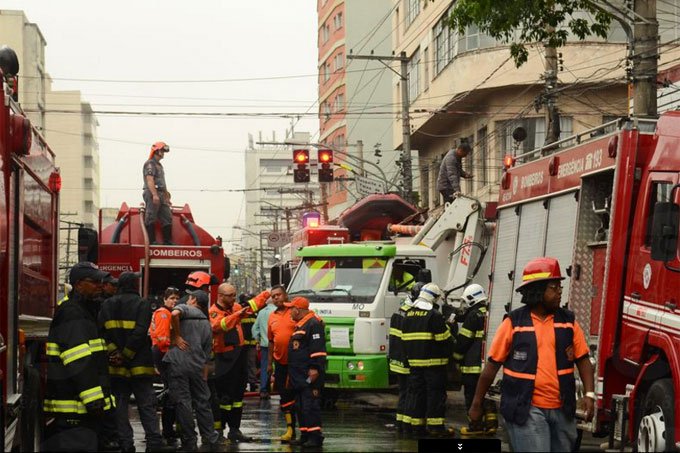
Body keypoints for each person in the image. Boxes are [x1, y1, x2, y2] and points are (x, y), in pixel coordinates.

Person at [468, 257, 595, 452]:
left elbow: (583, 360)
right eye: (554, 287)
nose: (560, 291)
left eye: (560, 286)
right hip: (526, 410)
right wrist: (477, 403)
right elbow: (492, 367)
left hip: (563, 410)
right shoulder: (513, 323)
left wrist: (589, 394)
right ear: (537, 291)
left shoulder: (568, 322)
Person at [43, 262, 115, 451]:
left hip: (80, 410)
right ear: (78, 283)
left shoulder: (85, 311)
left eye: (101, 281)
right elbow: (78, 360)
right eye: (95, 281)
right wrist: (94, 401)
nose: (100, 285)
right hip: (76, 411)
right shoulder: (73, 313)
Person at [98, 272, 171, 453]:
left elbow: (101, 333)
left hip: (116, 366)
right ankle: (154, 442)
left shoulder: (107, 304)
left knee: (120, 405)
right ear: (134, 285)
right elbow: (140, 332)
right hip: (139, 364)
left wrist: (116, 353)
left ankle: (125, 443)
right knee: (146, 404)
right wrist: (127, 354)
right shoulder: (142, 304)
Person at [209, 284, 271, 442]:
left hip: (239, 355)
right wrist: (237, 315)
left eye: (235, 295)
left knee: (237, 397)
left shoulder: (235, 307)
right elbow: (218, 326)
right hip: (224, 358)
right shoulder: (214, 312)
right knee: (224, 398)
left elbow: (252, 305)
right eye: (230, 295)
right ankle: (219, 431)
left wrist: (267, 293)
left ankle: (234, 430)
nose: (234, 298)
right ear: (221, 296)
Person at [165, 289, 225, 452]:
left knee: (183, 402)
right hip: (197, 367)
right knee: (203, 402)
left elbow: (174, 314)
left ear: (193, 300)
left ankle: (189, 441)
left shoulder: (186, 308)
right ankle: (210, 438)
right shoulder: (207, 322)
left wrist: (177, 336)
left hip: (179, 364)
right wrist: (204, 375)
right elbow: (207, 353)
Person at [401, 283, 454, 437]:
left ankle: (417, 427)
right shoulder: (434, 315)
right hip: (434, 365)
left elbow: (404, 340)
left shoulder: (408, 314)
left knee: (418, 395)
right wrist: (450, 327)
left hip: (415, 366)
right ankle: (435, 428)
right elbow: (443, 340)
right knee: (435, 396)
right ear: (433, 297)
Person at [453, 283, 497, 436]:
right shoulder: (488, 312)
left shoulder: (473, 316)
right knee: (486, 395)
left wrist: (455, 357)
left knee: (472, 396)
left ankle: (475, 425)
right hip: (487, 366)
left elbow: (464, 341)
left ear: (472, 299)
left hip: (471, 366)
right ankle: (491, 424)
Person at [285, 297, 326, 448]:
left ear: (298, 309)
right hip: (299, 376)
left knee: (310, 405)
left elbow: (317, 350)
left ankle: (315, 437)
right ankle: (305, 434)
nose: (290, 311)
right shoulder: (301, 325)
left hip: (309, 375)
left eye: (291, 308)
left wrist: (314, 369)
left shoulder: (313, 324)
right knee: (300, 406)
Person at [149, 286, 181, 446]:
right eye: (171, 298)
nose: (174, 301)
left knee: (171, 391)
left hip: (162, 353)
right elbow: (162, 339)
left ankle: (169, 428)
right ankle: (168, 430)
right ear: (165, 299)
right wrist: (176, 344)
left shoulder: (166, 313)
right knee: (170, 393)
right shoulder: (164, 313)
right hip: (164, 354)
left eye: (176, 298)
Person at [267, 285, 298, 442]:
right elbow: (271, 342)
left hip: (297, 364)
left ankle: (306, 430)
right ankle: (290, 430)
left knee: (299, 396)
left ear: (285, 296)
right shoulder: (271, 317)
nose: (276, 298)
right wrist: (269, 364)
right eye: (273, 296)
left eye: (278, 295)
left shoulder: (294, 311)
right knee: (285, 397)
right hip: (280, 363)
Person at [388, 290, 416, 435]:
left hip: (396, 362)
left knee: (402, 392)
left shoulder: (396, 315)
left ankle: (400, 423)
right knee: (410, 393)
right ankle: (406, 424)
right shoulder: (409, 318)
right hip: (406, 362)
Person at [143, 141, 173, 245]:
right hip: (152, 192)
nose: (163, 153)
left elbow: (162, 183)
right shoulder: (150, 164)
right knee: (151, 215)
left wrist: (166, 196)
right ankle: (151, 241)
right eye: (162, 150)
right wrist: (154, 194)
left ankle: (168, 241)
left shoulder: (159, 165)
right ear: (156, 151)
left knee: (167, 216)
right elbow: (150, 179)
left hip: (161, 193)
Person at [252, 294, 277, 399]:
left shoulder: (261, 313)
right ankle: (279, 388)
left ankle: (264, 390)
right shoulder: (278, 311)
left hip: (265, 345)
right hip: (277, 344)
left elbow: (254, 329)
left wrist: (258, 340)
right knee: (280, 366)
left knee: (265, 367)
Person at [239, 293, 259, 393]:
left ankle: (250, 384)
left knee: (248, 364)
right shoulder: (243, 312)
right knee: (249, 364)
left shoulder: (253, 313)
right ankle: (249, 384)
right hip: (247, 344)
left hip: (247, 344)